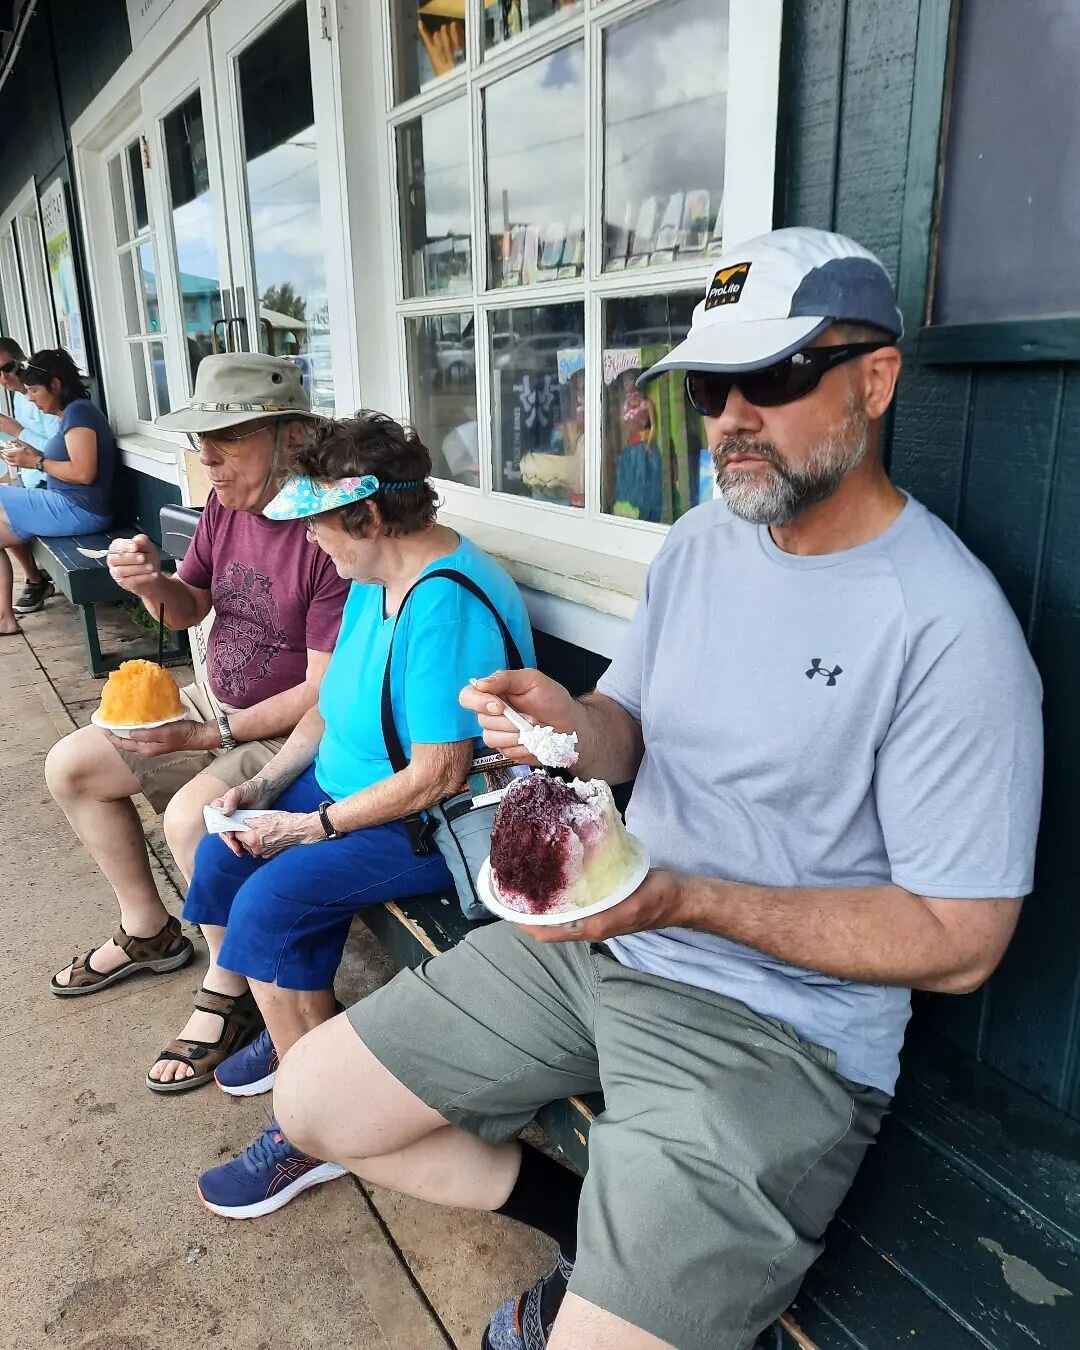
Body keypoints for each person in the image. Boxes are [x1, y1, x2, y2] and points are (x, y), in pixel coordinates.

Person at [272, 229, 1044, 1350]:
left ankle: (614, 1292)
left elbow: (962, 940)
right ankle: (596, 1242)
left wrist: (683, 899)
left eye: (773, 377)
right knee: (312, 1103)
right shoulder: (699, 545)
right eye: (712, 383)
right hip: (604, 943)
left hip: (779, 1029)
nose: (730, 415)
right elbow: (629, 735)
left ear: (875, 381)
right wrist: (571, 725)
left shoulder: (948, 627)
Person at [184, 411, 534, 1219]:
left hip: (421, 822)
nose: (311, 543)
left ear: (370, 517)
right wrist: (267, 787)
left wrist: (309, 829)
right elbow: (335, 709)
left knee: (270, 895)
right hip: (348, 792)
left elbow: (439, 775)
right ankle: (299, 1040)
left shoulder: (444, 605)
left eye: (319, 526)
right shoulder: (377, 580)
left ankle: (312, 1135)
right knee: (224, 857)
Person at [45, 353, 350, 1096]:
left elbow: (321, 693)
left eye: (230, 437)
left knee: (193, 820)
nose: (206, 458)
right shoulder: (223, 505)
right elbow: (192, 607)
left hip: (282, 731)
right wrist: (154, 586)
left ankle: (234, 991)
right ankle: (148, 929)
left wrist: (207, 736)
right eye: (200, 440)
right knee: (71, 766)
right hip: (214, 705)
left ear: (294, 437)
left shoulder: (330, 533)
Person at [0, 349, 116, 633]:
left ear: (55, 384)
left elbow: (84, 473)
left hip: (80, 508)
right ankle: (5, 618)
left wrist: (37, 462)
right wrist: (31, 453)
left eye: (34, 390)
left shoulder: (79, 414)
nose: (29, 397)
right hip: (69, 504)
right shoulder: (72, 414)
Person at [0, 337, 62, 613]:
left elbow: (57, 447)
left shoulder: (42, 396)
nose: (3, 377)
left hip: (51, 482)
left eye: (8, 367)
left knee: (4, 511)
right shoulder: (19, 396)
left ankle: (34, 582)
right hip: (31, 479)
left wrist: (16, 431)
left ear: (22, 360)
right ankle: (34, 578)